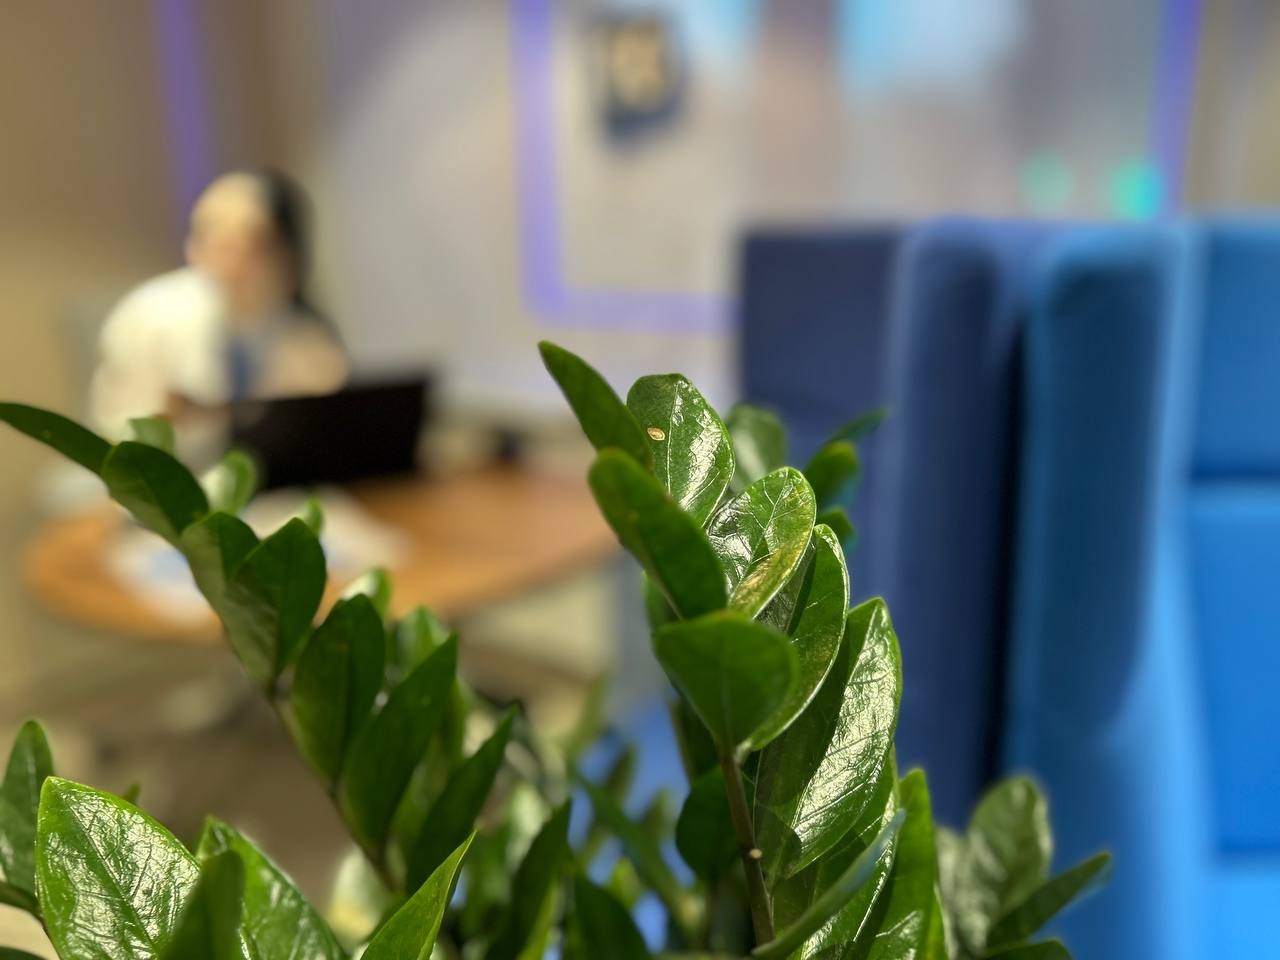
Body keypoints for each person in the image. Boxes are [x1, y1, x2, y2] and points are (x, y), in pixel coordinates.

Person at [90, 170, 348, 461]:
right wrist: (167, 419)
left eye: (252, 245)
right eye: (217, 241)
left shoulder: (306, 336)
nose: (232, 262)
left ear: (286, 253)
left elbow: (324, 432)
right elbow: (117, 433)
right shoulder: (146, 318)